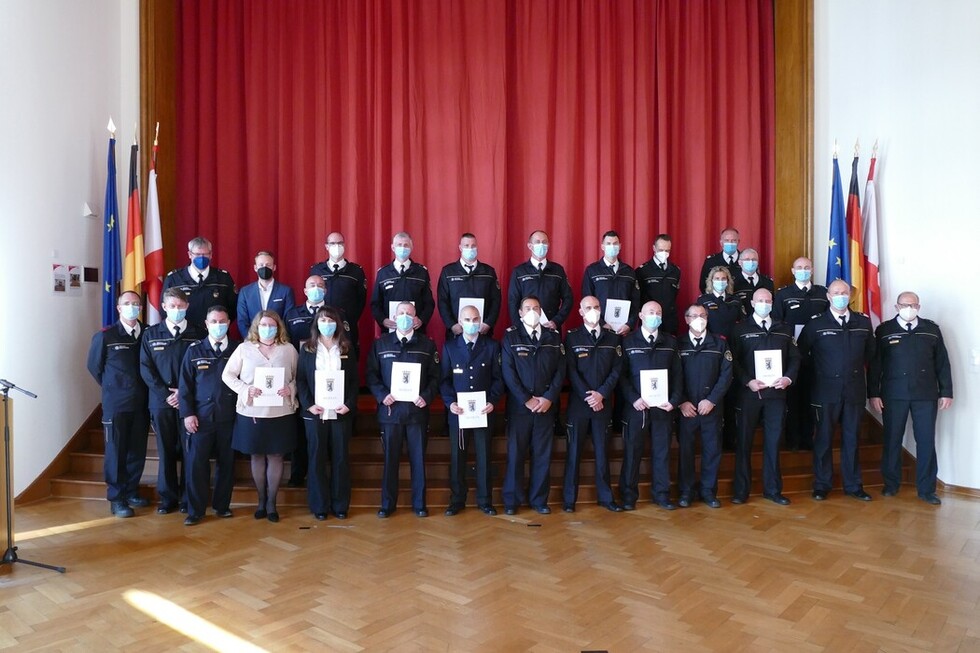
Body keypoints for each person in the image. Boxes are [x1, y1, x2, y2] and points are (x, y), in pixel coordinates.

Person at [869, 291, 953, 505]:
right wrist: (874, 393)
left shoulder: (931, 330)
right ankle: (891, 483)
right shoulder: (884, 330)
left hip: (925, 395)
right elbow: (875, 365)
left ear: (919, 306)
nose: (909, 308)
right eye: (905, 304)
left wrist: (946, 392)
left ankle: (926, 489)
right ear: (897, 307)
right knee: (892, 440)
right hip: (893, 395)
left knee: (925, 441)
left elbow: (942, 363)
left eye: (913, 304)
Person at [798, 280, 875, 502]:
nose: (840, 296)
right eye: (835, 292)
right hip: (825, 392)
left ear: (849, 295)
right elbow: (802, 355)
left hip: (854, 391)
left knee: (852, 439)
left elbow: (871, 355)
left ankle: (853, 485)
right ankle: (822, 484)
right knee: (823, 439)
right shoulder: (816, 324)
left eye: (844, 292)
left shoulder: (862, 322)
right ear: (828, 296)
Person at [221, 311, 298, 523]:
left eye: (271, 325)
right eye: (263, 324)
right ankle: (261, 500)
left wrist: (290, 388)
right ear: (257, 326)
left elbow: (299, 377)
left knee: (276, 456)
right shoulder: (244, 349)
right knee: (256, 455)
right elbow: (227, 375)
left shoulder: (288, 349)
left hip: (280, 411)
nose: (267, 328)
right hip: (252, 411)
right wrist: (245, 389)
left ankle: (272, 502)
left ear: (278, 327)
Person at [366, 302, 441, 518]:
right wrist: (382, 395)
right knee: (390, 461)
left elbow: (436, 376)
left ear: (416, 318)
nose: (405, 316)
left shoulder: (427, 345)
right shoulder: (381, 344)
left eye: (409, 313)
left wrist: (426, 396)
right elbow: (371, 375)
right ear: (394, 317)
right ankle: (387, 504)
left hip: (417, 413)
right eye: (401, 313)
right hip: (391, 413)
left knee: (418, 461)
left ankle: (419, 504)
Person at [729, 288, 801, 505]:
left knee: (773, 441)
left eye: (768, 300)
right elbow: (733, 361)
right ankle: (741, 490)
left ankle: (773, 489)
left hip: (776, 395)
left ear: (773, 303)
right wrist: (747, 381)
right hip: (748, 394)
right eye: (760, 300)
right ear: (752, 302)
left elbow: (795, 358)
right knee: (744, 442)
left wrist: (788, 378)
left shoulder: (784, 329)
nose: (764, 303)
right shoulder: (740, 329)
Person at [139, 287, 206, 514]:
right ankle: (167, 498)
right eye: (172, 306)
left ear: (187, 306)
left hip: (190, 402)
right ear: (164, 307)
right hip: (161, 403)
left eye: (180, 306)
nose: (176, 310)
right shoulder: (151, 334)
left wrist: (183, 394)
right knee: (165, 451)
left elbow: (203, 369)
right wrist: (167, 395)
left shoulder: (198, 333)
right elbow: (146, 369)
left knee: (190, 451)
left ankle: (189, 498)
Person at [86, 291, 150, 518]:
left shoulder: (148, 334)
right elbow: (95, 367)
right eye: (127, 303)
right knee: (116, 451)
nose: (132, 307)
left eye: (136, 303)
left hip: (143, 403)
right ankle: (117, 498)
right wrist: (114, 388)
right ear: (119, 308)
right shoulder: (105, 336)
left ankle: (132, 491)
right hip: (117, 404)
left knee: (137, 450)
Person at [501, 295, 566, 515]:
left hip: (546, 407)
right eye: (527, 308)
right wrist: (526, 399)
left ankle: (539, 500)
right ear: (520, 313)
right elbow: (508, 373)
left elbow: (560, 371)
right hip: (520, 407)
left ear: (541, 311)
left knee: (542, 455)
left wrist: (548, 398)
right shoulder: (510, 338)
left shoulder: (553, 337)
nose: (532, 311)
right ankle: (512, 501)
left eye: (536, 308)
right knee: (516, 455)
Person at [440, 304, 504, 516]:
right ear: (459, 321)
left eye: (476, 319)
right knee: (457, 457)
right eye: (467, 319)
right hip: (459, 413)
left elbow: (498, 379)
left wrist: (493, 400)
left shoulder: (492, 346)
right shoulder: (450, 347)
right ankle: (457, 500)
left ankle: (485, 500)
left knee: (484, 456)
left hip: (483, 411)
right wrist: (450, 403)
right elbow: (445, 381)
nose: (472, 323)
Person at [618, 301, 683, 510]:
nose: (655, 315)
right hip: (636, 407)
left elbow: (678, 376)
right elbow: (621, 376)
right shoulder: (628, 342)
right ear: (641, 315)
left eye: (658, 312)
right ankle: (628, 496)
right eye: (651, 312)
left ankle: (662, 495)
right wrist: (633, 398)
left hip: (663, 408)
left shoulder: (670, 343)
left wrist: (674, 401)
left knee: (662, 452)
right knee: (632, 452)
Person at [295, 306, 358, 520]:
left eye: (330, 320)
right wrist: (309, 404)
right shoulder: (308, 349)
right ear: (316, 324)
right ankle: (319, 505)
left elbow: (354, 381)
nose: (327, 324)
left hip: (341, 412)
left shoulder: (347, 348)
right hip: (315, 413)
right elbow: (301, 380)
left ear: (337, 323)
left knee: (340, 457)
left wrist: (349, 403)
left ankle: (340, 504)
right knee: (316, 457)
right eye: (322, 320)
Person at [178, 305, 239, 525]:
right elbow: (185, 387)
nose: (218, 325)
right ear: (206, 324)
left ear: (229, 323)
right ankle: (195, 510)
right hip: (200, 419)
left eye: (222, 321)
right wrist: (187, 414)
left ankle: (222, 506)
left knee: (227, 464)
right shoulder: (194, 350)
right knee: (196, 465)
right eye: (214, 321)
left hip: (229, 418)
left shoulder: (237, 349)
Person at [562, 296, 623, 512]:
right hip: (579, 405)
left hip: (603, 404)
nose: (593, 310)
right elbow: (570, 370)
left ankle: (606, 498)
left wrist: (601, 394)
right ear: (580, 311)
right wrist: (589, 396)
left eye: (596, 307)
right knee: (574, 453)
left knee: (602, 453)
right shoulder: (572, 337)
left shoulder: (612, 338)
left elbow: (616, 370)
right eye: (588, 307)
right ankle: (569, 500)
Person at [676, 303, 733, 508]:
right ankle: (686, 492)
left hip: (711, 407)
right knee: (686, 452)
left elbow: (727, 375)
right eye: (694, 315)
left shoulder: (719, 344)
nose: (699, 319)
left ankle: (709, 491)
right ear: (687, 319)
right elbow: (673, 376)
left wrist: (712, 400)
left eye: (703, 315)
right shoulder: (678, 344)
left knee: (712, 450)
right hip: (686, 408)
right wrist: (681, 401)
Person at [773, 256, 829, 451]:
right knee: (792, 399)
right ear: (792, 270)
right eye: (799, 267)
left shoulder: (823, 293)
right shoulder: (783, 294)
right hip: (791, 354)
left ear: (812, 270)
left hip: (818, 355)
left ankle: (808, 438)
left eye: (807, 267)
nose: (803, 270)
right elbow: (777, 323)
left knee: (811, 397)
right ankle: (792, 439)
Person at [282, 274, 328, 487]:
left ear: (325, 290)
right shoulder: (292, 315)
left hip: (328, 380)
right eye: (312, 285)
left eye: (320, 285)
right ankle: (298, 473)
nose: (316, 288)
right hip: (300, 377)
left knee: (325, 429)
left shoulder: (335, 314)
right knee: (300, 428)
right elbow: (285, 346)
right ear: (305, 290)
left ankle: (322, 473)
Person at [309, 232, 368, 353]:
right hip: (321, 326)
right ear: (326, 246)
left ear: (345, 245)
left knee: (348, 360)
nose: (336, 246)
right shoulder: (317, 270)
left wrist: (348, 319)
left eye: (340, 243)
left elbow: (361, 300)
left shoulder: (356, 271)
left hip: (347, 326)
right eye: (333, 243)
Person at [161, 236, 237, 328]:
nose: (201, 258)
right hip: (185, 335)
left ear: (211, 255)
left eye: (205, 254)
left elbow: (233, 309)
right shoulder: (174, 279)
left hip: (213, 335)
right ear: (189, 254)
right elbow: (164, 309)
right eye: (197, 254)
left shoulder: (223, 278)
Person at [437, 232, 502, 338]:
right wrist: (452, 325)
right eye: (466, 246)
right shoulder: (448, 272)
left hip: (482, 331)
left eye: (473, 246)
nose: (470, 249)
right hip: (456, 332)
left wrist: (488, 323)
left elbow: (496, 300)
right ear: (460, 248)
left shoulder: (489, 272)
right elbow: (442, 301)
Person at [507, 230, 574, 331]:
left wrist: (557, 321)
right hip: (526, 328)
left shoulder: (558, 270)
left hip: (551, 327)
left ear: (548, 245)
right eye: (537, 242)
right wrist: (519, 326)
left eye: (544, 242)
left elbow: (568, 298)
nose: (541, 245)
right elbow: (513, 301)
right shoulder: (519, 271)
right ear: (530, 246)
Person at [370, 231, 435, 333]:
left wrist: (422, 320)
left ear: (411, 247)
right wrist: (382, 320)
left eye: (406, 245)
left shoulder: (421, 272)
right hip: (390, 330)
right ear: (393, 247)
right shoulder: (383, 273)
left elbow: (429, 303)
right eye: (399, 245)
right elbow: (375, 303)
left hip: (416, 330)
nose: (402, 248)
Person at [581, 230, 640, 336]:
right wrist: (601, 323)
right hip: (601, 328)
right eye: (608, 243)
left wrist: (630, 324)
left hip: (624, 330)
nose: (612, 246)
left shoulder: (629, 271)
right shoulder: (592, 270)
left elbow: (636, 301)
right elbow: (587, 300)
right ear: (602, 246)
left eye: (615, 243)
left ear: (620, 246)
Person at [237, 250, 296, 339]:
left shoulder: (286, 291)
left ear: (274, 267)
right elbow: (242, 321)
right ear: (255, 268)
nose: (264, 268)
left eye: (268, 265)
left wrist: (279, 340)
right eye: (261, 265)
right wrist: (251, 340)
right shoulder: (245, 292)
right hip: (252, 343)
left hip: (278, 342)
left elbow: (288, 320)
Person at [636, 233, 681, 334]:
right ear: (654, 248)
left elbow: (675, 294)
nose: (664, 253)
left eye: (667, 250)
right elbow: (638, 297)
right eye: (661, 250)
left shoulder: (675, 270)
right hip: (650, 321)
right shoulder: (643, 270)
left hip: (669, 321)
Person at [696, 265, 745, 342]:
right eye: (717, 278)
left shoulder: (736, 300)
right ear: (711, 280)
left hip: (734, 341)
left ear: (728, 281)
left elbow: (742, 321)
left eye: (723, 279)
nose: (720, 281)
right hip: (712, 342)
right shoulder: (703, 300)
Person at [731, 248, 774, 314]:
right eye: (747, 259)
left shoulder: (768, 282)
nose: (751, 262)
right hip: (741, 322)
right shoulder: (732, 283)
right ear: (739, 262)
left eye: (754, 259)